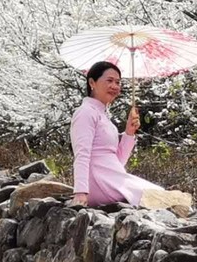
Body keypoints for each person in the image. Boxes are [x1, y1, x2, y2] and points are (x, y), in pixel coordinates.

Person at [69, 60, 164, 206]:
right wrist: (81, 191)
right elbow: (81, 153)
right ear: (92, 83)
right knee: (159, 199)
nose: (115, 86)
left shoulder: (103, 115)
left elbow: (118, 161)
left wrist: (129, 133)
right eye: (109, 80)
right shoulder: (85, 112)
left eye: (118, 82)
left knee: (162, 195)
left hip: (113, 177)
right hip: (98, 180)